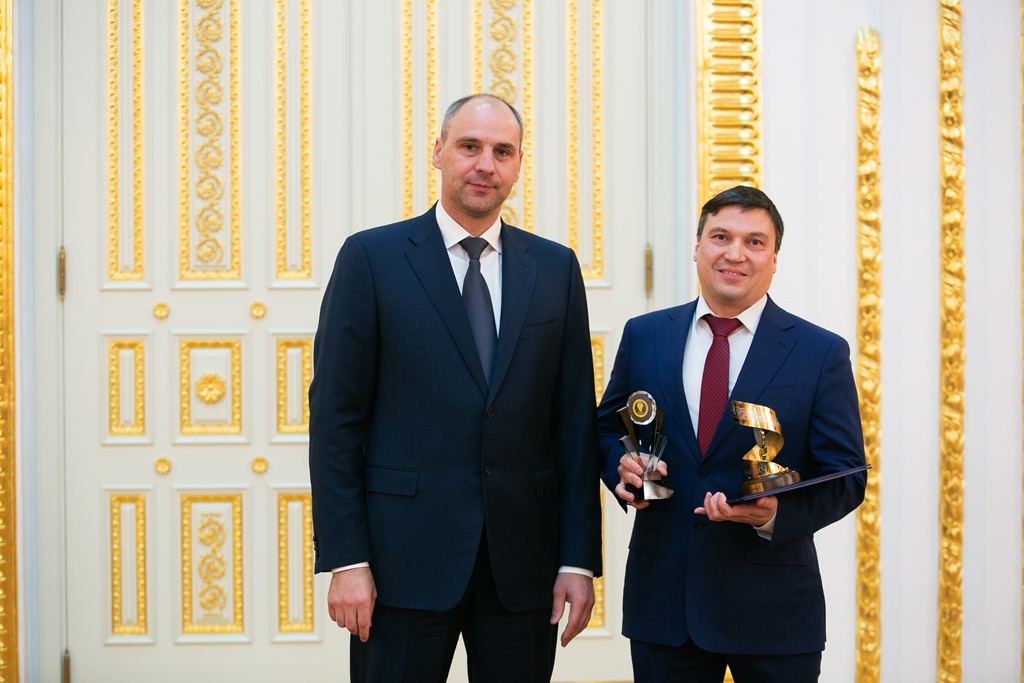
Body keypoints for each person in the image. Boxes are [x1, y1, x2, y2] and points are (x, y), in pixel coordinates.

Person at [309, 94, 603, 683]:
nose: (485, 164)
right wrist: (346, 559)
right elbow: (337, 421)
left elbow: (573, 424)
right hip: (400, 564)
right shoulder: (371, 258)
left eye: (502, 151)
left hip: (522, 567)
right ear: (438, 152)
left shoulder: (556, 269)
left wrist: (578, 559)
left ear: (518, 165)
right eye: (470, 146)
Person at [597, 185, 866, 682]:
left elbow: (847, 475)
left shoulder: (819, 352)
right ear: (698, 247)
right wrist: (623, 467)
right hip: (665, 605)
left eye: (754, 242)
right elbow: (608, 430)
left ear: (774, 258)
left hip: (775, 612)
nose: (735, 253)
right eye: (720, 236)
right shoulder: (644, 335)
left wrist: (775, 515)